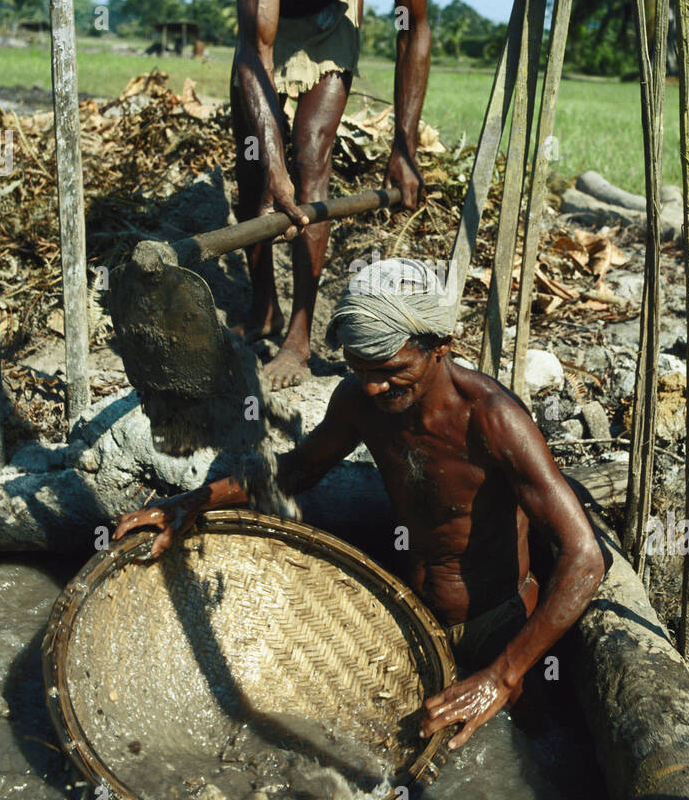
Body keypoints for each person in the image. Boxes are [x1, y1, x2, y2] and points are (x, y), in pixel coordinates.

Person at [112, 259, 605, 751]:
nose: (373, 386)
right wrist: (198, 500)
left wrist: (500, 676)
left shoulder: (493, 420)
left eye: (390, 370)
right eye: (359, 369)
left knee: (532, 751)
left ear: (440, 348)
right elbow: (299, 469)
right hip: (412, 609)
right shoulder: (360, 400)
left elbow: (584, 558)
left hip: (497, 622)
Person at [230, 0, 431, 390]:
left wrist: (405, 145)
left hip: (333, 16)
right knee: (255, 168)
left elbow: (412, 27)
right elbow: (253, 46)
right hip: (269, 22)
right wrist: (272, 164)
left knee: (312, 159)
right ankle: (259, 301)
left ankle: (298, 333)